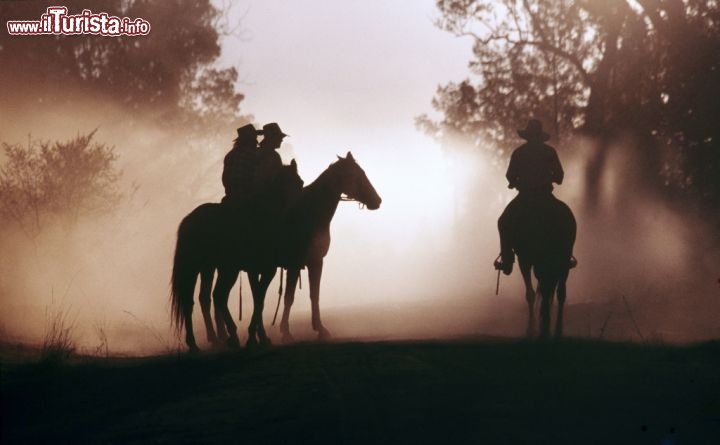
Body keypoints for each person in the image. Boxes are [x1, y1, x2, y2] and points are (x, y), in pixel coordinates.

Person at [494, 119, 570, 275]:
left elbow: (510, 175)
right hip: (546, 197)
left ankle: (507, 261)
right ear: (539, 136)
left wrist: (514, 182)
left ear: (528, 136)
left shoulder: (519, 153)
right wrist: (552, 178)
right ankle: (566, 257)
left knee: (503, 222)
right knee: (566, 219)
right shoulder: (550, 152)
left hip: (525, 198)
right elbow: (560, 177)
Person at [222, 123, 260, 206]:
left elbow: (226, 179)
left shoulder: (230, 155)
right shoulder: (248, 154)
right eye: (254, 138)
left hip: (230, 196)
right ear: (248, 140)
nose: (256, 141)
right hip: (245, 199)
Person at [254, 122, 288, 196]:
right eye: (279, 137)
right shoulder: (274, 156)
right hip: (265, 195)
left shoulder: (255, 152)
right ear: (272, 138)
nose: (281, 140)